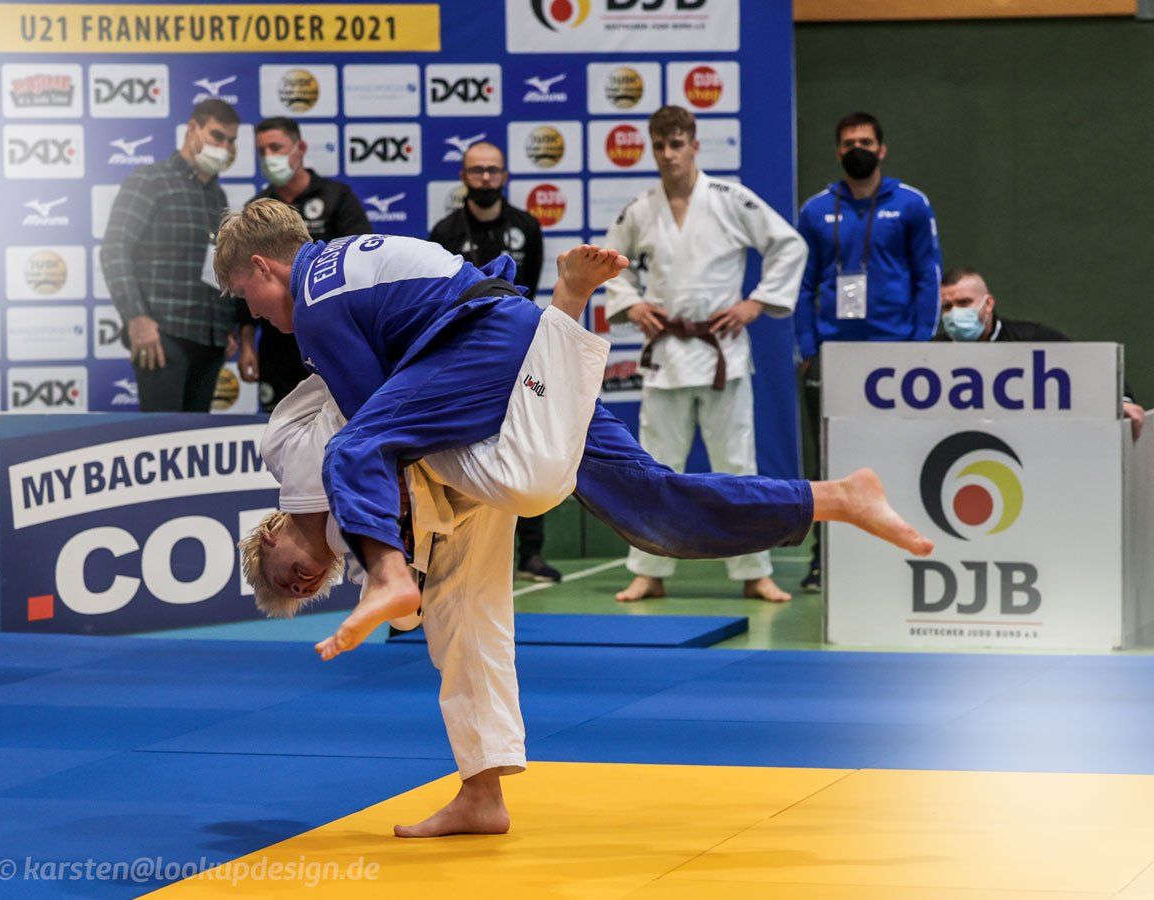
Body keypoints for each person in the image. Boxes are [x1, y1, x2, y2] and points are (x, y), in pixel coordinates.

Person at [242, 325, 934, 841]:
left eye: (284, 576)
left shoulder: (289, 448)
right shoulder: (352, 529)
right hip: (466, 454)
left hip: (489, 392)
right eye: (305, 592)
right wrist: (390, 585)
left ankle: (835, 494)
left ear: (268, 533)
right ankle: (483, 794)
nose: (306, 580)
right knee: (464, 623)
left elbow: (355, 407)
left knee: (647, 501)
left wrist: (384, 580)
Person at [212, 199, 934, 664]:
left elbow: (380, 427)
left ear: (267, 266)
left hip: (485, 346)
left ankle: (390, 579)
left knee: (356, 446)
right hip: (513, 356)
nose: (256, 315)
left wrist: (403, 548)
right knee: (656, 508)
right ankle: (836, 497)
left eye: (248, 296)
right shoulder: (343, 265)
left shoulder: (313, 299)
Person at [602, 105, 808, 605]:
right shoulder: (639, 210)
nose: (669, 154)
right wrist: (631, 304)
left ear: (695, 145)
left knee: (737, 465)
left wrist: (756, 302)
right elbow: (614, 266)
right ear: (652, 149)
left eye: (677, 144)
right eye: (660, 145)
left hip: (723, 354)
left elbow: (788, 245)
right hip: (667, 354)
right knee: (653, 466)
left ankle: (754, 572)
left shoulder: (729, 199)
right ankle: (649, 570)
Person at [794, 111, 943, 592]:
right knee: (827, 461)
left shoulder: (912, 204)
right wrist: (808, 347)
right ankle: (825, 560)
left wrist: (920, 344)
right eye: (848, 142)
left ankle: (904, 549)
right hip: (835, 355)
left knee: (900, 452)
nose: (857, 148)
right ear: (838, 152)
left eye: (865, 141)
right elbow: (802, 285)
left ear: (881, 149)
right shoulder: (816, 210)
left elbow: (929, 277)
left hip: (896, 351)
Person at [428, 140, 558, 584]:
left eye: (493, 170)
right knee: (458, 447)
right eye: (477, 170)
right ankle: (450, 553)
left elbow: (532, 286)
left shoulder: (527, 227)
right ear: (464, 176)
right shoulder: (444, 231)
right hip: (461, 352)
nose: (485, 178)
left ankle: (532, 554)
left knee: (529, 439)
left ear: (504, 176)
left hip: (519, 346)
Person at [101, 99, 240, 412]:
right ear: (193, 130)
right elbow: (114, 249)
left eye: (231, 141)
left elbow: (216, 265)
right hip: (163, 336)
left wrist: (225, 325)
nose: (225, 147)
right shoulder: (149, 180)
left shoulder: (217, 195)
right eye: (217, 136)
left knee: (193, 447)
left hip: (211, 341)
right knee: (161, 442)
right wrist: (136, 318)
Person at [237, 116, 371, 412]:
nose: (269, 157)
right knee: (277, 435)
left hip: (334, 339)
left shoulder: (338, 198)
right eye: (262, 151)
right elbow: (245, 281)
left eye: (276, 147)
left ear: (301, 148)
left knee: (342, 425)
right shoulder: (256, 208)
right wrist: (246, 342)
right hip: (278, 345)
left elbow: (362, 261)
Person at [937, 266, 1144, 438]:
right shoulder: (928, 355)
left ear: (988, 304)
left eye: (964, 303)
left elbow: (1089, 366)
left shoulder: (1032, 339)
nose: (955, 313)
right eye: (947, 307)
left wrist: (1120, 403)